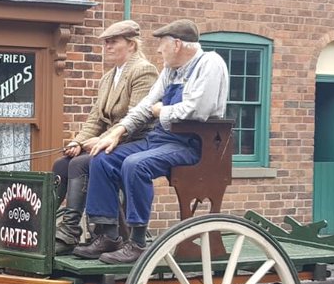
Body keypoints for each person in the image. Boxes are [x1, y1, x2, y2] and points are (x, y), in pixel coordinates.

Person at [73, 19, 230, 264]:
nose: (158, 50)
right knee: (102, 158)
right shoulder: (170, 71)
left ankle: (137, 242)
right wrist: (117, 131)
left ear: (177, 44)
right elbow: (146, 105)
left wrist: (161, 112)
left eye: (162, 45)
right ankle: (109, 234)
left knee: (135, 164)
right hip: (160, 139)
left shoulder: (210, 64)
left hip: (193, 144)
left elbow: (198, 109)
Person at [51, 20, 159, 255]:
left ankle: (78, 232)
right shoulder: (108, 78)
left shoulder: (144, 71)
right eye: (105, 43)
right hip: (110, 141)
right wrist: (77, 142)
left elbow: (136, 117)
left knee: (81, 164)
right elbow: (95, 120)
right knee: (62, 163)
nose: (107, 47)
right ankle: (51, 228)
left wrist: (104, 139)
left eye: (113, 42)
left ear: (131, 45)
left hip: (136, 143)